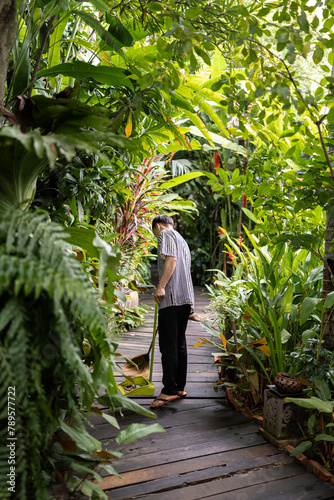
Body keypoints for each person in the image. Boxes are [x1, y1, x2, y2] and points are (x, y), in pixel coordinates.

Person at [150, 215, 195, 408]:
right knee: (179, 343)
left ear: (158, 226)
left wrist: (160, 287)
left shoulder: (165, 234)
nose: (155, 236)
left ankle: (169, 390)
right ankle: (178, 387)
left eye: (154, 232)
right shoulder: (182, 239)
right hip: (186, 299)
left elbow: (171, 260)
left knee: (168, 346)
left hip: (172, 297)